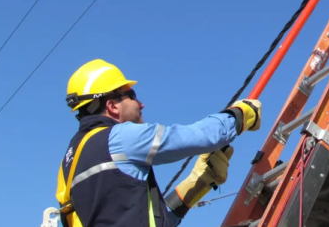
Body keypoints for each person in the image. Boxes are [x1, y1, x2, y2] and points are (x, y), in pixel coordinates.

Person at [55, 59, 262, 227]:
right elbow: (197, 137)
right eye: (131, 96)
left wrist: (197, 183)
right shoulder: (120, 138)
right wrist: (241, 115)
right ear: (112, 106)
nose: (141, 103)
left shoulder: (69, 166)